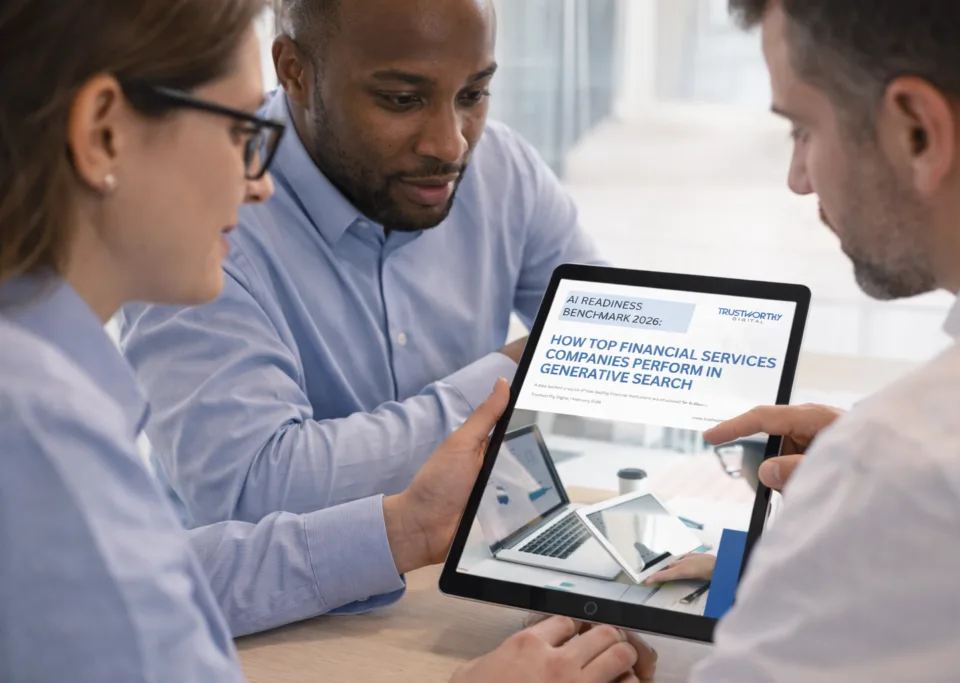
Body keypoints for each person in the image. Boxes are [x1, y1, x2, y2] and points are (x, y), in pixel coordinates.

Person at [0, 2, 656, 681]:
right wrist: (510, 379)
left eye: (474, 93)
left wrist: (405, 527)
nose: (258, 180)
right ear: (105, 135)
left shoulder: (57, 400)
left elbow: (162, 567)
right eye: (238, 134)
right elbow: (245, 497)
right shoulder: (40, 430)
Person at [117, 0, 605, 529]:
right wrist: (510, 379)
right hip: (265, 607)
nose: (450, 143)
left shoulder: (504, 171)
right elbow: (253, 489)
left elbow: (609, 325)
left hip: (455, 560)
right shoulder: (205, 213)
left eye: (473, 94)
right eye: (402, 99)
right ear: (294, 73)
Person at [687, 1, 960, 680]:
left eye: (803, 129)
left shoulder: (915, 458)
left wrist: (872, 491)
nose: (797, 179)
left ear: (917, 131)